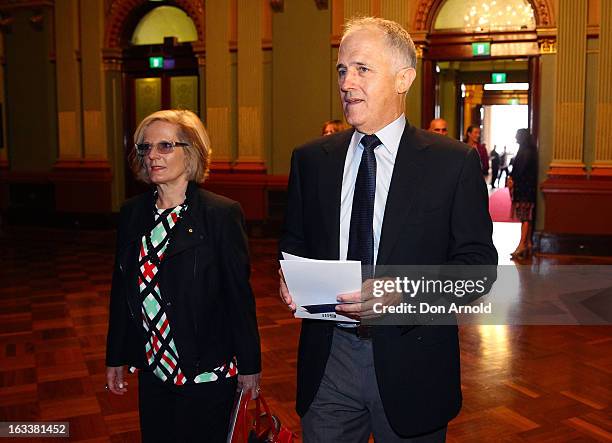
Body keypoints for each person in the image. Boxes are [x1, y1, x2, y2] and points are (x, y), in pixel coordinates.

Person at [279, 17, 497, 442]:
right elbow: (294, 241)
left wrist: (403, 293)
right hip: (328, 362)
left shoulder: (452, 164)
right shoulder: (311, 160)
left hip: (413, 362)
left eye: (362, 69)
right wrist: (286, 274)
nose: (346, 82)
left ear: (403, 79)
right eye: (342, 70)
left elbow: (478, 271)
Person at [105, 110, 261, 442]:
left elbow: (238, 297)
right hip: (154, 368)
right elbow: (122, 291)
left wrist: (250, 365)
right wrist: (116, 355)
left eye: (165, 146)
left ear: (189, 152)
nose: (152, 156)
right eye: (145, 148)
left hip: (205, 370)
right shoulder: (133, 213)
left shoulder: (220, 214)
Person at [507, 128, 538, 259]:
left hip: (524, 190)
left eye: (517, 135)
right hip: (528, 189)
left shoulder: (525, 152)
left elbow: (520, 170)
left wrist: (512, 179)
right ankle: (528, 243)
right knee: (528, 218)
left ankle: (521, 245)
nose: (515, 137)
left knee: (524, 217)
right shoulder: (530, 150)